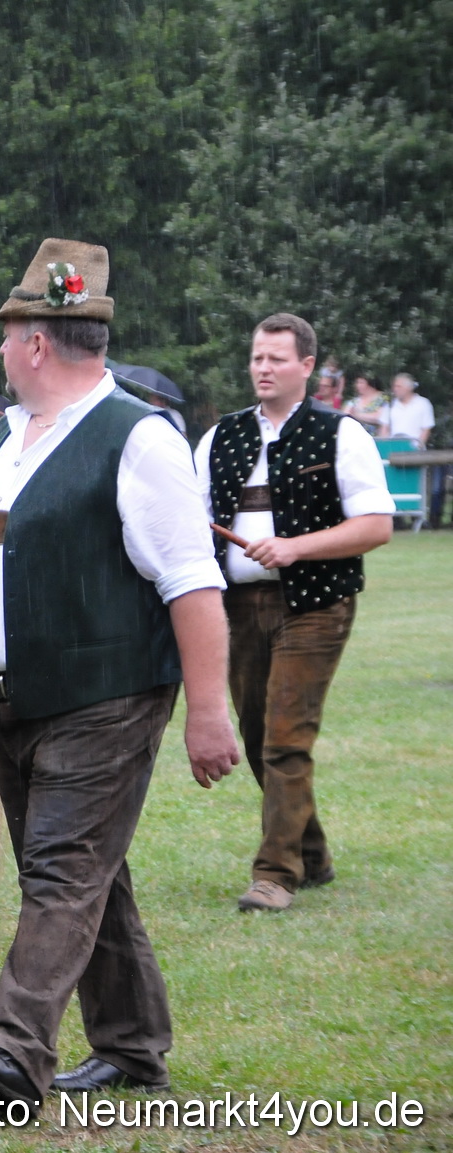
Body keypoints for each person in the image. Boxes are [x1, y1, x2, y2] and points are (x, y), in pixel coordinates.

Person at [0, 238, 238, 1104]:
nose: (0, 351)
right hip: (11, 695)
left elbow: (192, 583)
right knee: (89, 874)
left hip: (104, 696)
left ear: (36, 342)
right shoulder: (6, 436)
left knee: (59, 868)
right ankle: (132, 1047)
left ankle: (16, 1049)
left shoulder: (139, 439)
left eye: (7, 335)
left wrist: (208, 710)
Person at [196, 315, 393, 912]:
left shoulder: (342, 434)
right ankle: (312, 852)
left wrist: (295, 547)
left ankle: (275, 873)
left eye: (276, 359)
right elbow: (189, 519)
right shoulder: (219, 438)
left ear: (306, 366)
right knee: (258, 737)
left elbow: (376, 526)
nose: (263, 368)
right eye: (257, 357)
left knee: (285, 736)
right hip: (237, 607)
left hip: (315, 605)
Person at [381, 373, 435, 449]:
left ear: (408, 388)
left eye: (398, 386)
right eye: (394, 386)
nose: (395, 389)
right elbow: (384, 428)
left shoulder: (423, 404)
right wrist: (385, 447)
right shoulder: (390, 405)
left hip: (415, 450)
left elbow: (426, 429)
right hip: (393, 449)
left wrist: (418, 448)